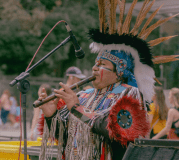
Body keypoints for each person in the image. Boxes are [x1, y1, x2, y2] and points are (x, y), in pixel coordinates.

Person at [37, 0, 178, 159]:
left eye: (102, 64)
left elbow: (116, 130)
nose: (94, 68)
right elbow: (65, 135)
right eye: (95, 63)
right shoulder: (85, 94)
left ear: (119, 72)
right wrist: (51, 115)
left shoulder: (130, 94)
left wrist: (76, 107)